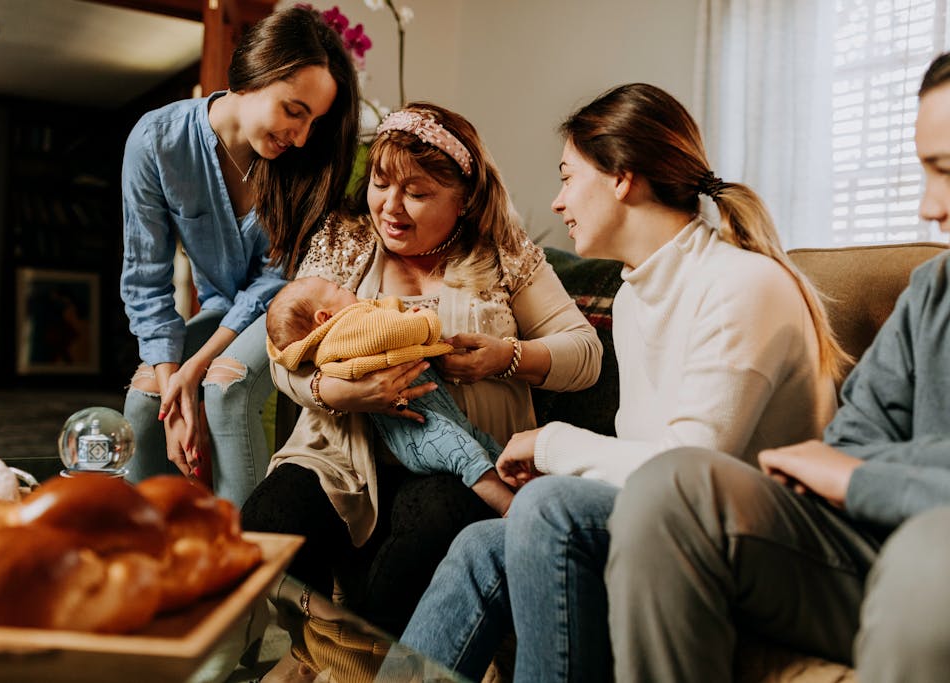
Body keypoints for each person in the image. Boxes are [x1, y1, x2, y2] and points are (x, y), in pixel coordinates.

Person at [400, 83, 847, 683]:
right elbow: (642, 459)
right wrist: (564, 465)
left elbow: (687, 472)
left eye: (567, 176)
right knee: (481, 545)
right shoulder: (635, 296)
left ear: (621, 178)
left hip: (763, 549)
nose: (558, 203)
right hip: (671, 524)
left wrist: (555, 447)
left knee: (547, 506)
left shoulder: (744, 287)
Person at [605, 54, 950, 683]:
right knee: (672, 486)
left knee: (933, 558)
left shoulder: (743, 285)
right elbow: (844, 449)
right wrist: (886, 472)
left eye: (947, 171)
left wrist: (871, 479)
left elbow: (852, 469)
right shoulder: (934, 290)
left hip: (928, 566)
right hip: (870, 548)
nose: (930, 207)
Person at [240, 102, 603, 636]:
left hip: (457, 459)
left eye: (417, 193)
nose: (390, 207)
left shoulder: (501, 251)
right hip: (341, 457)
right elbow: (286, 350)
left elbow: (586, 353)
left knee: (433, 520)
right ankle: (309, 649)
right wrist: (337, 391)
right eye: (381, 183)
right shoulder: (348, 239)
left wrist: (508, 358)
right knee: (268, 518)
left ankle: (365, 663)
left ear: (464, 200)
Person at [119, 6, 360, 507]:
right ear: (254, 73)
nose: (301, 136)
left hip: (288, 307)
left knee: (225, 389)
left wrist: (197, 368)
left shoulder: (302, 164)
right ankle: (149, 558)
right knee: (145, 401)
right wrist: (173, 388)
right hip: (225, 308)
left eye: (313, 121)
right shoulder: (157, 141)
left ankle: (249, 567)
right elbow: (147, 282)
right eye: (294, 110)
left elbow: (274, 283)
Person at [266, 276, 514, 515]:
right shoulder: (345, 329)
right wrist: (423, 322)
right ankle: (509, 510)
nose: (346, 287)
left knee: (484, 445)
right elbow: (388, 332)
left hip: (435, 415)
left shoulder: (341, 333)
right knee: (466, 455)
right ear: (324, 317)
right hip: (418, 429)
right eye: (338, 288)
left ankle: (526, 492)